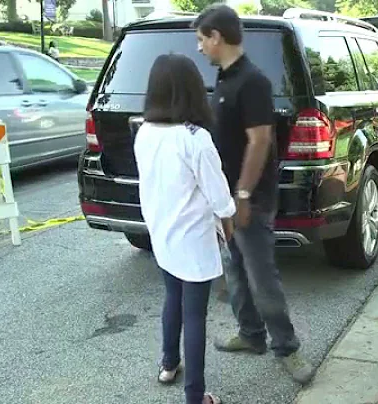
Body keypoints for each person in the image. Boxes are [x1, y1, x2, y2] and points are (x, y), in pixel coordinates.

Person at [192, 5, 315, 384]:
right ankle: (251, 335)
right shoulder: (225, 80)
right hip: (226, 198)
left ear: (216, 37)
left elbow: (260, 139)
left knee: (262, 276)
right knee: (236, 271)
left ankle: (288, 348)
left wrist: (243, 196)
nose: (199, 48)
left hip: (250, 199)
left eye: (201, 40)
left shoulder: (253, 81)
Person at [134, 53, 235, 404]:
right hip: (193, 241)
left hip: (161, 233)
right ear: (193, 91)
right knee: (195, 315)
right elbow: (221, 199)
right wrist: (231, 229)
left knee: (171, 299)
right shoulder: (196, 139)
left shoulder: (145, 132)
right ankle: (195, 396)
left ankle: (168, 363)